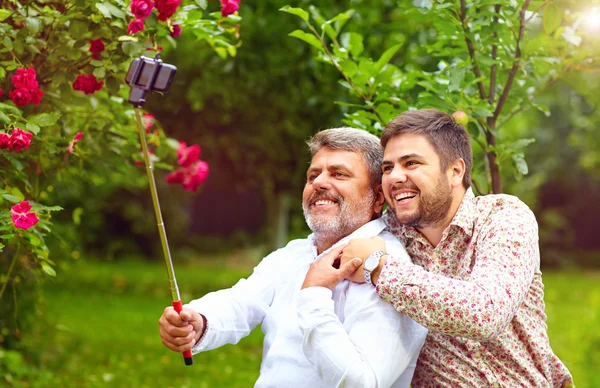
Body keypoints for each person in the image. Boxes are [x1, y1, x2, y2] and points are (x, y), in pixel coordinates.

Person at [158, 127, 427, 387]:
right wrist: (199, 321)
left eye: (339, 174)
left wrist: (313, 294)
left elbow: (361, 382)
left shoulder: (389, 267)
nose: (319, 183)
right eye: (313, 176)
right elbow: (241, 302)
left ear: (378, 196)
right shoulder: (294, 253)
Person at [336, 109, 574, 387]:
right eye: (388, 168)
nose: (394, 177)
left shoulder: (502, 216)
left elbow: (484, 313)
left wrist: (379, 266)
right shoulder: (386, 233)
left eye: (411, 163)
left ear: (455, 171)